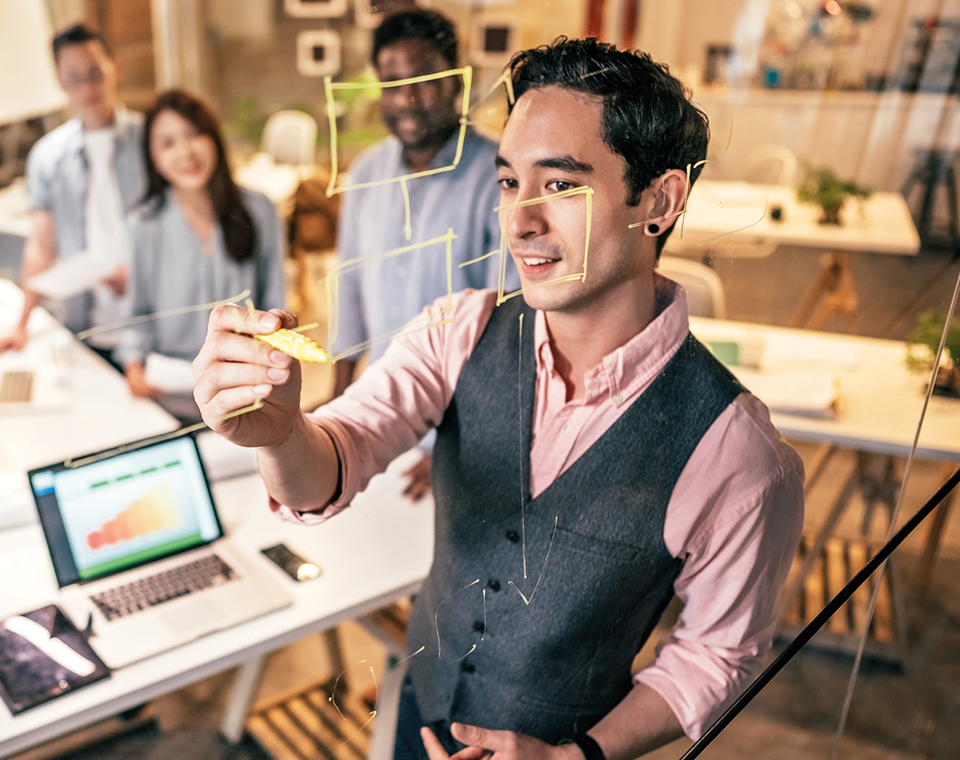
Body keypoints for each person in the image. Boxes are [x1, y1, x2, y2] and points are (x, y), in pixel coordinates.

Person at [191, 39, 804, 760]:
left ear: (659, 201)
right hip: (416, 713)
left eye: (561, 185)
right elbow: (336, 458)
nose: (519, 221)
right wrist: (279, 434)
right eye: (510, 182)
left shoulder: (740, 455)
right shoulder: (457, 328)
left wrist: (580, 757)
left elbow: (715, 657)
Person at [334, 9, 519, 497]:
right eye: (391, 83)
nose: (407, 99)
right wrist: (333, 412)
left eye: (425, 80)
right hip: (375, 421)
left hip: (460, 437)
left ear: (460, 82)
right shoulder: (366, 173)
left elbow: (513, 324)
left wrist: (456, 449)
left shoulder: (500, 177)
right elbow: (349, 292)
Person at [0, 23, 146, 366]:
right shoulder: (47, 157)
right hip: (83, 322)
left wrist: (139, 272)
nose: (86, 86)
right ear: (59, 80)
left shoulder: (151, 141)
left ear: (114, 67)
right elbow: (41, 244)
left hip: (151, 318)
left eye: (94, 73)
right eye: (73, 77)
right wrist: (22, 324)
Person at [116, 89, 285, 413]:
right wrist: (133, 368)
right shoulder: (143, 224)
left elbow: (275, 303)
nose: (185, 152)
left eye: (194, 135)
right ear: (153, 157)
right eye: (167, 143)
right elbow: (137, 313)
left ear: (213, 139)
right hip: (169, 393)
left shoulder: (259, 210)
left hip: (243, 387)